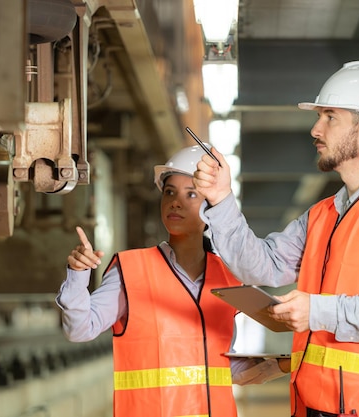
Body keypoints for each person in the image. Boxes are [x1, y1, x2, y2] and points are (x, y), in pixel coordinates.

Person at [192, 61, 359, 417]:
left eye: (330, 117)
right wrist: (221, 200)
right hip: (310, 404)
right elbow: (262, 265)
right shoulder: (322, 214)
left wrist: (317, 311)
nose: (316, 128)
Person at [56, 144, 290, 417]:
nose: (175, 202)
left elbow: (223, 367)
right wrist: (78, 275)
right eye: (169, 193)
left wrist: (284, 364)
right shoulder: (131, 271)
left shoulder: (228, 279)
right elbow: (80, 329)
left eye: (191, 194)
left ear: (211, 209)